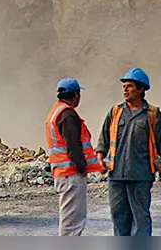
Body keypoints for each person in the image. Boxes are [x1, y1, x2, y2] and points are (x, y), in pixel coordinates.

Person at [95, 68, 161, 237]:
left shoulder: (152, 115)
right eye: (124, 86)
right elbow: (103, 139)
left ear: (141, 89)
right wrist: (100, 159)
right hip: (116, 175)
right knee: (118, 217)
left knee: (140, 217)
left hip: (141, 175)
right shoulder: (115, 112)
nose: (125, 89)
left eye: (129, 86)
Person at [45, 78, 105, 236]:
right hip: (71, 174)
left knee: (70, 222)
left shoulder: (56, 111)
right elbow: (74, 146)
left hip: (63, 173)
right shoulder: (67, 115)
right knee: (72, 225)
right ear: (76, 95)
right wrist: (81, 167)